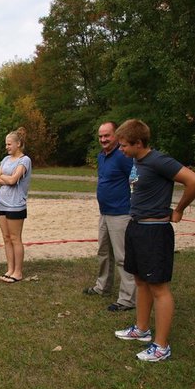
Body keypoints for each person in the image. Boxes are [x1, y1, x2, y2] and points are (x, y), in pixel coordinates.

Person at [113, 119, 195, 362]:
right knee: (141, 280)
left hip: (155, 232)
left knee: (159, 288)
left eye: (123, 145)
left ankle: (161, 346)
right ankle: (142, 329)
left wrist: (180, 209)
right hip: (137, 228)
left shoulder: (159, 160)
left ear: (138, 143)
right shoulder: (137, 160)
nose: (121, 149)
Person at [83, 121, 136, 311]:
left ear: (116, 136)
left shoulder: (123, 156)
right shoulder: (101, 157)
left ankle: (127, 299)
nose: (103, 139)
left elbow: (135, 180)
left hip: (121, 213)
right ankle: (102, 287)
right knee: (103, 252)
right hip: (104, 212)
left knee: (122, 256)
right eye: (101, 136)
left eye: (107, 135)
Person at [0, 127, 32, 283]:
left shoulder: (25, 160)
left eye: (9, 144)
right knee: (6, 238)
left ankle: (18, 272)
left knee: (16, 238)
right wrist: (5, 178)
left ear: (18, 144)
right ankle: (10, 269)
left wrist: (5, 177)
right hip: (2, 203)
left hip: (16, 204)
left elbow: (13, 180)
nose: (7, 147)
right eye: (6, 144)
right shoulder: (5, 159)